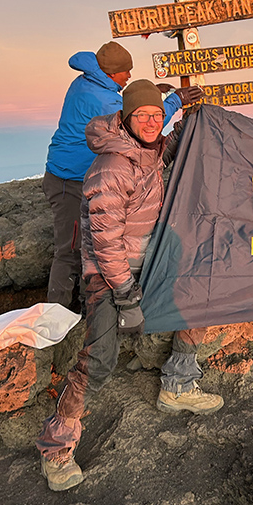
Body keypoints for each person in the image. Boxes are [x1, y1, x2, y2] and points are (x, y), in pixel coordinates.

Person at [36, 79, 223, 491]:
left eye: (158, 115)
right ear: (126, 117)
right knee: (99, 358)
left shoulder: (146, 149)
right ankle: (56, 448)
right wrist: (125, 294)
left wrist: (196, 121)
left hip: (145, 260)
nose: (152, 122)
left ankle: (178, 385)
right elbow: (104, 241)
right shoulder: (112, 168)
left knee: (199, 296)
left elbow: (166, 150)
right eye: (143, 115)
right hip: (108, 273)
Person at [43, 42, 194, 308]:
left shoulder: (86, 81)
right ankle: (58, 314)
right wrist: (174, 101)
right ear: (111, 74)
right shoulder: (103, 99)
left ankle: (80, 306)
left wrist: (143, 94)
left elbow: (130, 107)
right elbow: (138, 120)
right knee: (71, 250)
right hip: (71, 180)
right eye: (126, 72)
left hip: (78, 175)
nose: (129, 76)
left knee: (90, 245)